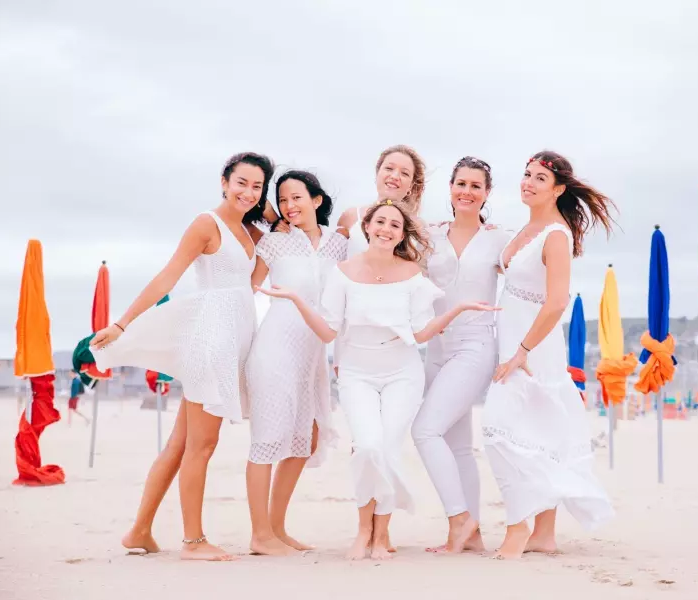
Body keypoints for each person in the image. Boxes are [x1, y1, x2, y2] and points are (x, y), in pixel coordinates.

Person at [255, 199, 499, 560]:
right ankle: (364, 530)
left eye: (394, 225)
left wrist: (458, 309)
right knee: (368, 445)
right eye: (380, 222)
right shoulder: (343, 271)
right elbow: (327, 332)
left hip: (403, 372)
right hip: (357, 373)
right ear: (367, 226)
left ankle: (380, 533)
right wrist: (293, 298)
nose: (386, 229)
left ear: (401, 234)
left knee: (387, 450)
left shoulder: (413, 273)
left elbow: (420, 334)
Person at [91, 152, 274, 561]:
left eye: (257, 186)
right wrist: (122, 324)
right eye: (240, 182)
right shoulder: (206, 224)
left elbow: (269, 252)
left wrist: (267, 210)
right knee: (202, 446)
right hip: (211, 340)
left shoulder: (251, 235)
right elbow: (169, 275)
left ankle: (139, 530)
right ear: (223, 182)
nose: (247, 192)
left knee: (179, 444)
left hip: (234, 341)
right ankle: (193, 542)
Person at [481, 151, 616, 560]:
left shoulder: (555, 235)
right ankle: (544, 534)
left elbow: (557, 303)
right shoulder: (523, 230)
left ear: (558, 189)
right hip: (511, 347)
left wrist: (522, 351)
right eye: (525, 175)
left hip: (533, 350)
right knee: (539, 435)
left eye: (539, 178)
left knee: (497, 431)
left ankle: (518, 526)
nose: (528, 182)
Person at [245, 170, 347, 556]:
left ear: (316, 200)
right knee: (268, 440)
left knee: (306, 439)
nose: (289, 206)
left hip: (313, 357)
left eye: (297, 198)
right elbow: (251, 288)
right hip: (275, 348)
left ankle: (276, 528)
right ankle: (259, 536)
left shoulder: (339, 244)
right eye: (283, 199)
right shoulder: (274, 244)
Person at [412, 156, 510, 554]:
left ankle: (459, 521)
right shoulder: (428, 234)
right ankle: (473, 533)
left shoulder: (500, 238)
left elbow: (529, 281)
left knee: (424, 430)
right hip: (434, 346)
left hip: (475, 344)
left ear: (487, 194)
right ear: (450, 187)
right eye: (461, 184)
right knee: (458, 445)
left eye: (475, 186)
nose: (467, 192)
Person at [336, 145, 427, 255]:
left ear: (410, 186)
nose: (395, 176)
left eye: (404, 173)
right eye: (389, 168)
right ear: (377, 173)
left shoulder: (419, 227)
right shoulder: (351, 216)